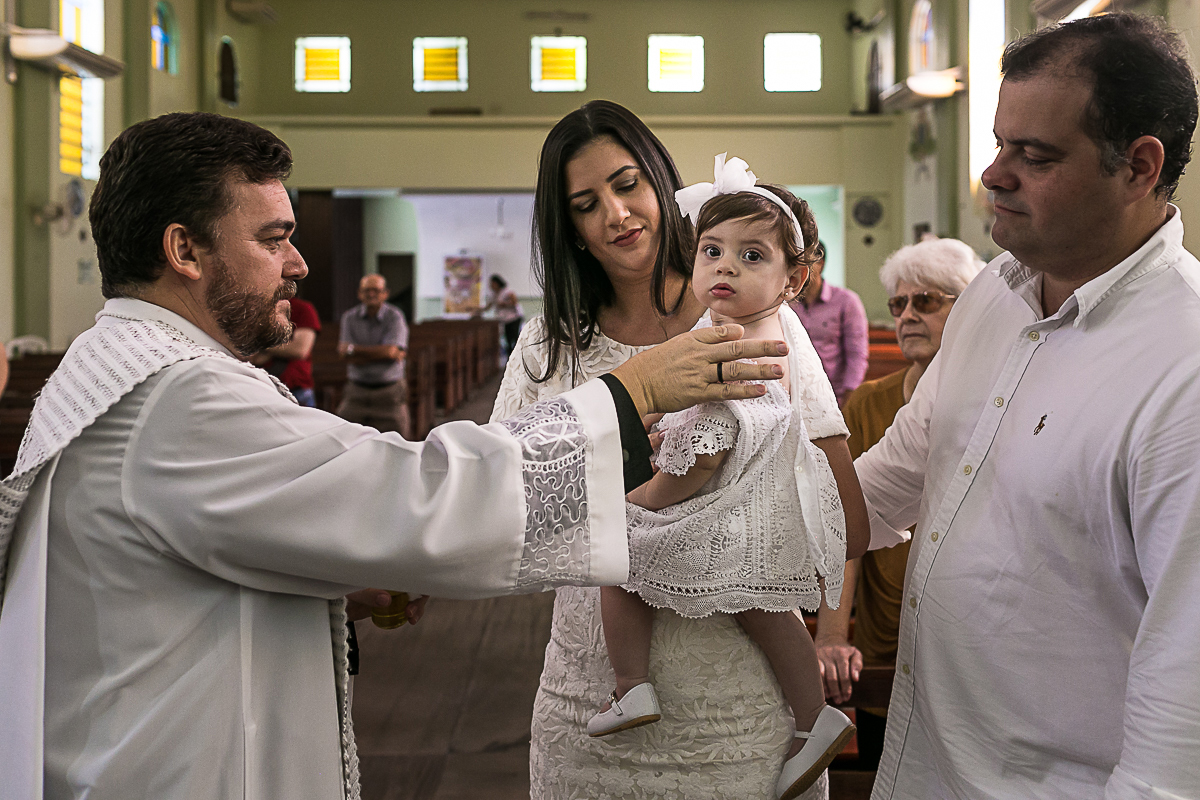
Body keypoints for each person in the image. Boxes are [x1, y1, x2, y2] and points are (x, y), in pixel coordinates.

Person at [0, 111, 791, 800]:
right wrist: (634, 392)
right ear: (184, 248)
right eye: (274, 238)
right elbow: (423, 495)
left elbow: (203, 548)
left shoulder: (121, 371)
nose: (299, 262)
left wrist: (347, 582)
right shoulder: (176, 400)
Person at [857, 15, 1200, 799]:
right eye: (999, 143)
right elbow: (887, 487)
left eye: (1034, 155)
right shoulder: (992, 294)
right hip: (925, 764)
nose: (993, 174)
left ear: (1140, 166)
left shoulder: (1184, 367)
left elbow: (1184, 696)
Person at [495, 101, 873, 799]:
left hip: (741, 702)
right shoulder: (550, 349)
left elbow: (834, 494)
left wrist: (829, 631)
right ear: (570, 228)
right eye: (587, 203)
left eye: (627, 183)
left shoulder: (754, 317)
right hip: (593, 697)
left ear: (662, 187)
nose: (616, 213)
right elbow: (507, 507)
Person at [590, 157, 870, 800]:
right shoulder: (769, 329)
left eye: (750, 257)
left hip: (720, 501)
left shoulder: (730, 344)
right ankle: (814, 717)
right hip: (762, 507)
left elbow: (708, 451)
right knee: (763, 605)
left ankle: (631, 686)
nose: (723, 267)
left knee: (619, 560)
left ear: (792, 279)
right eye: (712, 251)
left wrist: (639, 499)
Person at [812, 237, 982, 769]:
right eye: (898, 304)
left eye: (926, 301)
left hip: (966, 640)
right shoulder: (868, 404)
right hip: (888, 635)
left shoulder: (991, 401)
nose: (907, 315)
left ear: (968, 309)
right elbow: (846, 525)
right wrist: (833, 636)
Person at [789, 241, 868, 404]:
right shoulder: (787, 302)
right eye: (795, 263)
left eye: (805, 262)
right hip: (793, 395)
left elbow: (857, 354)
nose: (798, 269)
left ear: (821, 264)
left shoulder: (846, 301)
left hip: (833, 395)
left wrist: (848, 400)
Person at [338, 274, 410, 436]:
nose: (371, 294)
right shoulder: (349, 317)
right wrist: (383, 353)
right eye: (367, 290)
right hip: (356, 391)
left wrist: (355, 351)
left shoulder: (394, 316)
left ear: (385, 293)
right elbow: (344, 353)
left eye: (376, 290)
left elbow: (391, 352)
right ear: (359, 293)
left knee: (398, 441)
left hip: (389, 393)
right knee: (345, 437)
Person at [251, 296, 321, 407]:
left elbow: (300, 350)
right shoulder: (254, 308)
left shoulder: (302, 308)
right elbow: (247, 354)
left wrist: (260, 344)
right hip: (257, 385)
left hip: (295, 388)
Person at [482, 273, 524, 357]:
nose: (491, 286)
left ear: (497, 283)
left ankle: (518, 356)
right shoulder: (494, 295)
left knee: (514, 338)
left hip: (514, 318)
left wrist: (504, 304)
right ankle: (510, 357)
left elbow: (514, 302)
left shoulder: (507, 291)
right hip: (505, 320)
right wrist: (475, 309)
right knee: (508, 339)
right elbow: (488, 307)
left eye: (493, 284)